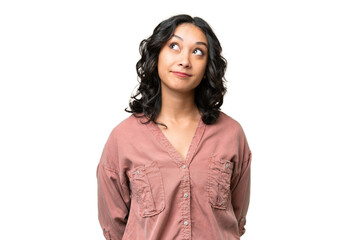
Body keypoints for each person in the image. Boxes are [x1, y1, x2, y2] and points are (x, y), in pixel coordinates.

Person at [96, 14, 252, 240]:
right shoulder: (122, 138)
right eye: (174, 46)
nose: (185, 61)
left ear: (208, 66)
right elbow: (114, 224)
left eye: (197, 51)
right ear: (157, 53)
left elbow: (236, 218)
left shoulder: (231, 134)